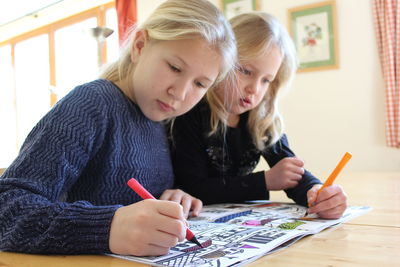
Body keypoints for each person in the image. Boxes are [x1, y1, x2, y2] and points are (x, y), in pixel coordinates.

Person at [0, 0, 236, 256]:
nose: (179, 93)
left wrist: (174, 200)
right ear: (140, 46)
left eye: (200, 84)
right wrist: (107, 227)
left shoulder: (161, 120)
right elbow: (7, 210)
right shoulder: (91, 104)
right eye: (174, 68)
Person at [170, 12, 347, 220]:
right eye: (245, 71)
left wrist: (318, 192)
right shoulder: (191, 112)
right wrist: (265, 181)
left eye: (266, 80)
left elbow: (290, 171)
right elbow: (193, 187)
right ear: (220, 60)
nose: (254, 89)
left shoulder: (261, 118)